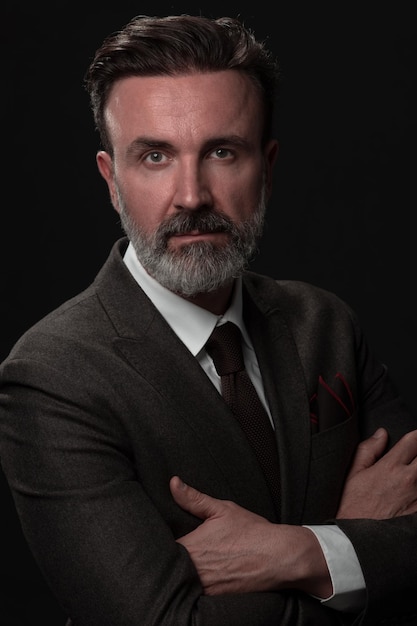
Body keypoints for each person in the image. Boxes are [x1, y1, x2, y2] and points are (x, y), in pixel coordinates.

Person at [0, 13, 416, 626]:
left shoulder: (325, 323)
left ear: (267, 169)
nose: (191, 195)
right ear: (112, 181)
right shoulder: (51, 378)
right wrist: (349, 549)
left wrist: (298, 550)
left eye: (223, 151)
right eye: (155, 156)